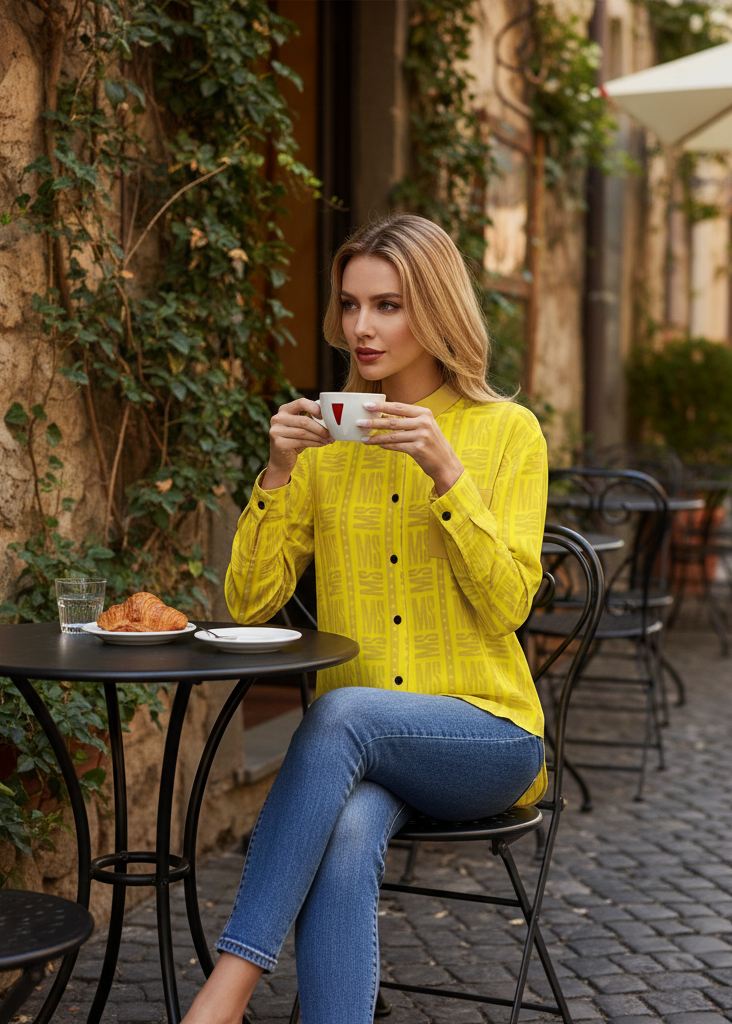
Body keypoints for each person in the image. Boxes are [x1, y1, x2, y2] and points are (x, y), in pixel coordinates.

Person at [182, 213, 548, 1024]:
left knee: (340, 712)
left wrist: (447, 473)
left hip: (485, 735)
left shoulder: (506, 434)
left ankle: (226, 992)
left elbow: (510, 605)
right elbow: (248, 602)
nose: (361, 326)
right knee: (345, 834)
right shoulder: (327, 440)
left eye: (387, 305)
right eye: (351, 305)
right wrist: (278, 473)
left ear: (438, 310)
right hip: (359, 755)